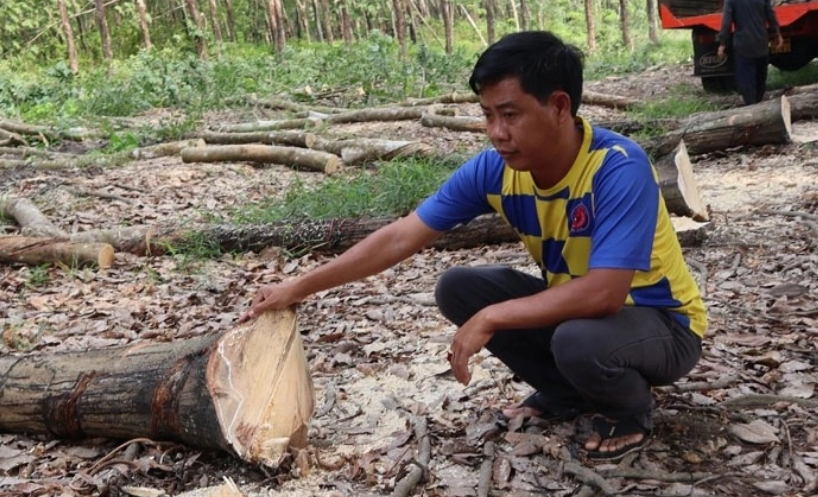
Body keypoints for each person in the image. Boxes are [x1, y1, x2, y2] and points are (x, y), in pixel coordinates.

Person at [244, 31, 706, 461]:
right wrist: (299, 286)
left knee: (576, 339)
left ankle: (630, 411)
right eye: (487, 115)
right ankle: (566, 394)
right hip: (585, 318)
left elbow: (604, 293)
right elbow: (402, 235)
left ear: (560, 106)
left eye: (511, 115)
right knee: (460, 288)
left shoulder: (616, 167)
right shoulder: (495, 169)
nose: (496, 133)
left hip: (663, 325)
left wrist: (492, 317)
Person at [719, 0, 783, 106]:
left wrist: (722, 44)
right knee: (761, 79)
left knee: (746, 80)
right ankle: (758, 104)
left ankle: (751, 107)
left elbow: (726, 23)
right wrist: (777, 34)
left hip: (743, 46)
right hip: (761, 43)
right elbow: (771, 16)